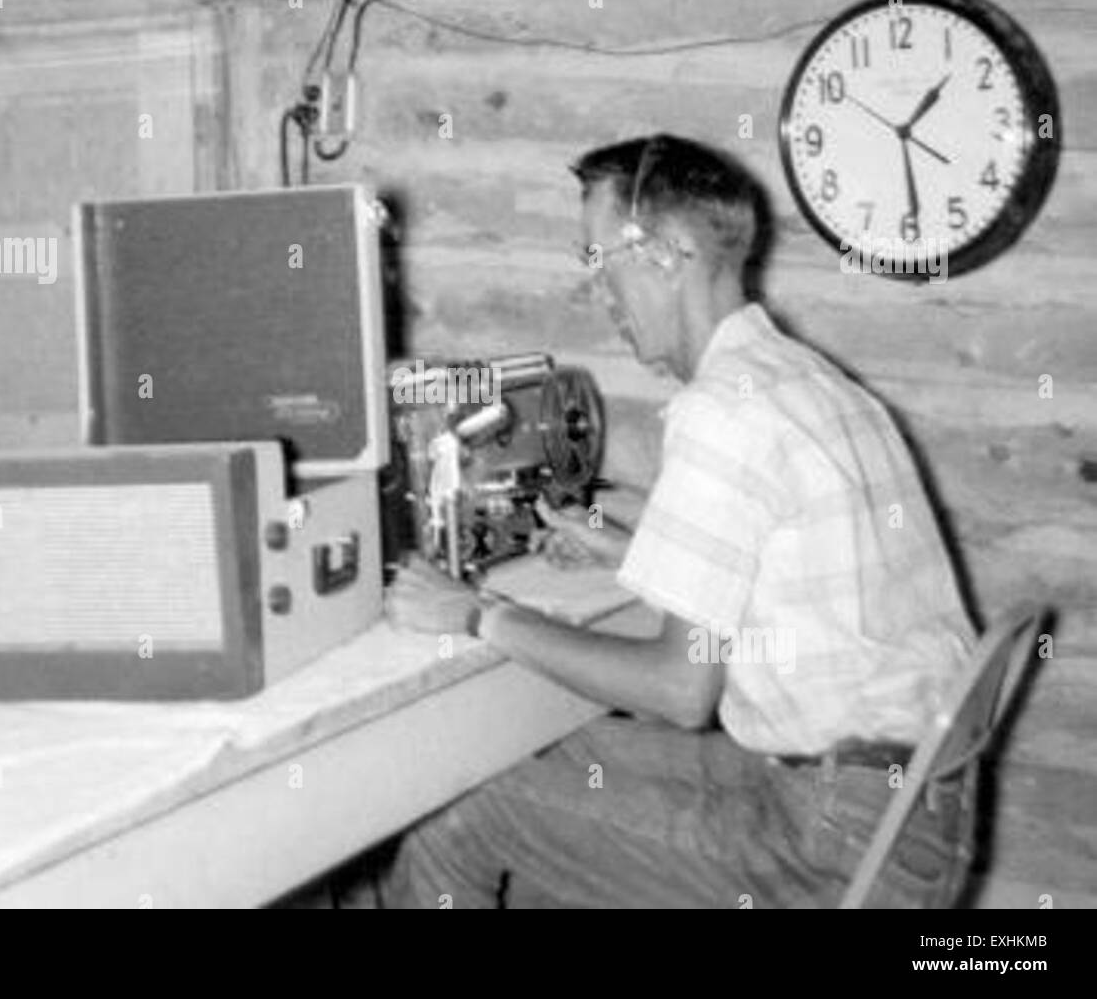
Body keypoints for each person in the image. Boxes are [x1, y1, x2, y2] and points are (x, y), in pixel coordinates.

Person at [383, 134, 978, 909]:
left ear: (665, 255)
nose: (596, 292)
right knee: (548, 758)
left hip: (832, 842)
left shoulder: (720, 410)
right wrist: (632, 551)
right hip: (909, 808)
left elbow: (678, 689)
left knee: (462, 814)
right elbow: (774, 572)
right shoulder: (810, 380)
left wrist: (475, 614)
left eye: (599, 260)